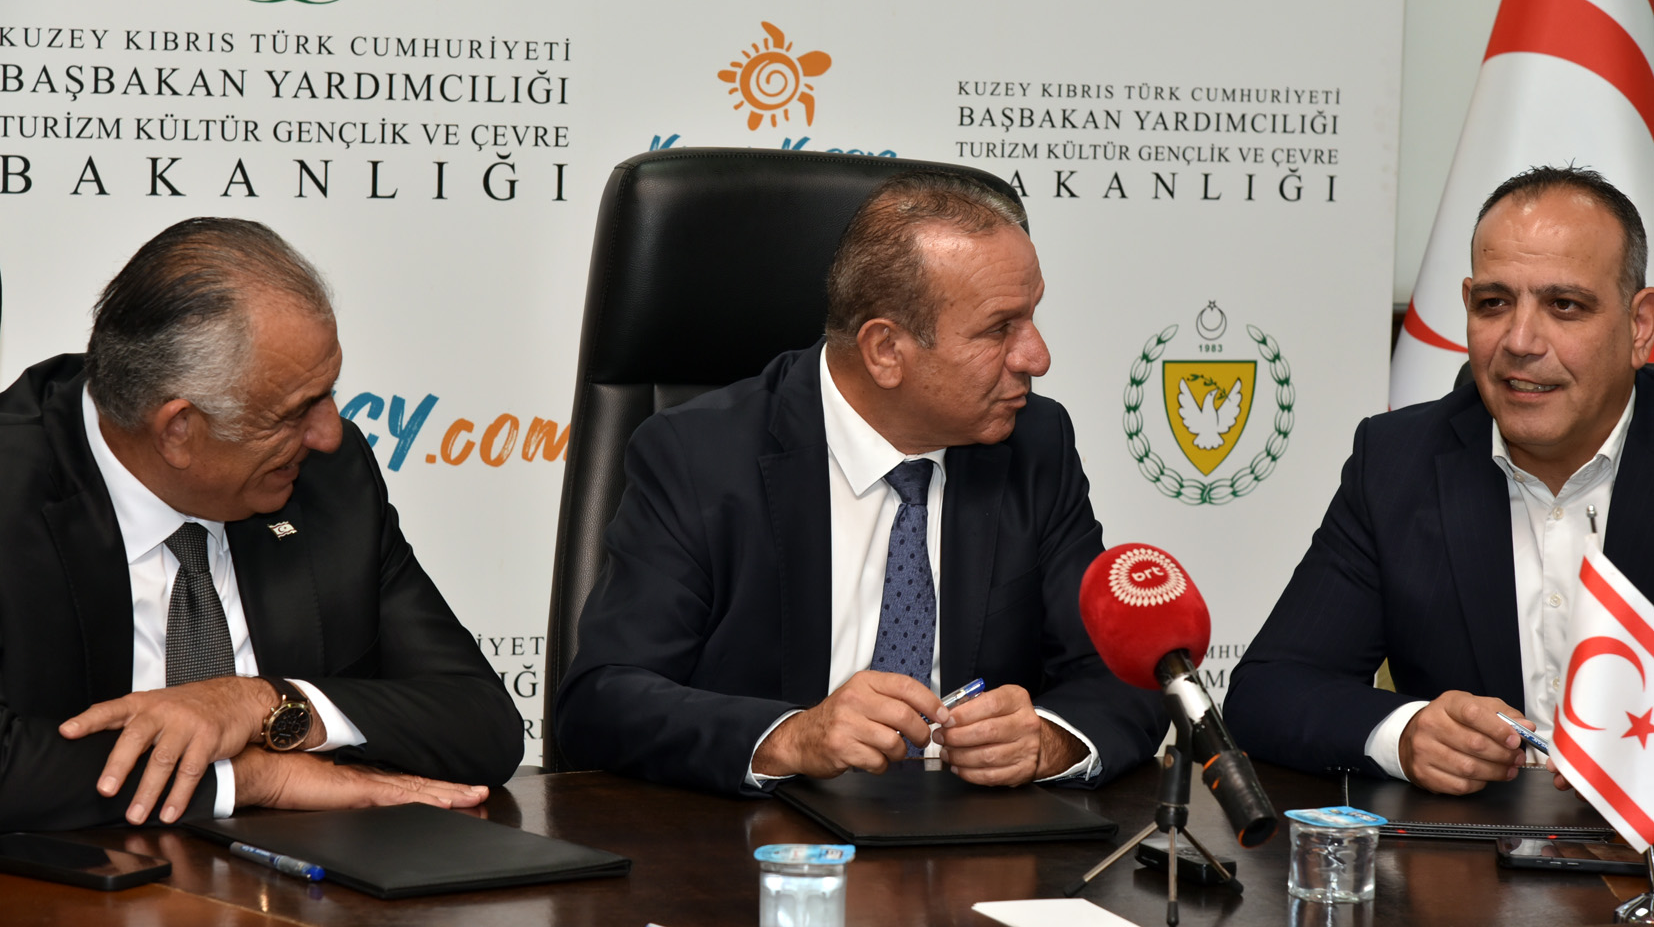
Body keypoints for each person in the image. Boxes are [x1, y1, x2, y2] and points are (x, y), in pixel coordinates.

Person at [555, 171, 1166, 795]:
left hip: (974, 834)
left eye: (1031, 316)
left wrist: (1048, 738)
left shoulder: (1036, 444)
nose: (1036, 357)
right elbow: (602, 700)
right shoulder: (699, 456)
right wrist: (792, 737)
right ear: (885, 351)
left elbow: (1130, 675)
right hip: (763, 837)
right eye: (998, 328)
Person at [0, 217, 522, 831]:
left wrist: (259, 703)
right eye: (296, 412)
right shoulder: (14, 490)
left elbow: (481, 721)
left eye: (328, 394)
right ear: (178, 430)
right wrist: (255, 778)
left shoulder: (329, 481)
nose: (330, 434)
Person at [1226, 165, 1654, 795]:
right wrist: (1405, 733)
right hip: (1470, 848)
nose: (1520, 340)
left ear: (1640, 325)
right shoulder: (1397, 463)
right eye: (1494, 304)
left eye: (1564, 306)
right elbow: (1267, 690)